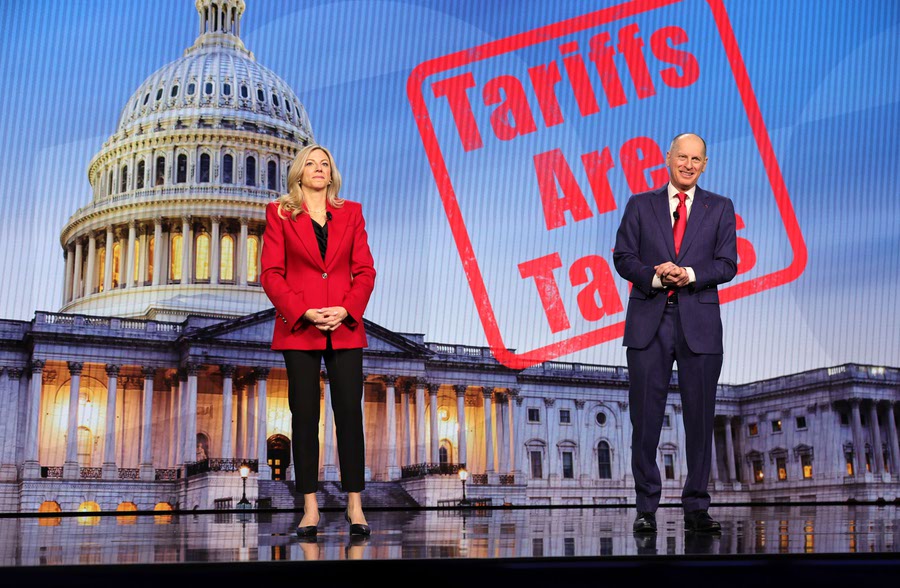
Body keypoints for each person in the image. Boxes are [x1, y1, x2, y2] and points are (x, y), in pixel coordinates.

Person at [613, 133, 737, 534]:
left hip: (699, 323)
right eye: (681, 156)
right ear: (668, 158)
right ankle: (646, 508)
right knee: (645, 421)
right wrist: (654, 274)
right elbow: (622, 257)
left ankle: (696, 508)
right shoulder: (639, 205)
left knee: (700, 421)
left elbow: (727, 264)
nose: (687, 164)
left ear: (705, 163)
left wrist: (691, 275)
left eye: (696, 158)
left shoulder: (720, 208)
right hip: (650, 320)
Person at [261, 144, 376, 538]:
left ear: (332, 172)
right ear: (297, 173)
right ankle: (309, 506)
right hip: (301, 325)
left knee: (350, 416)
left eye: (325, 163)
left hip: (344, 325)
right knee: (304, 418)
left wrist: (346, 309)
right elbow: (271, 274)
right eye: (310, 163)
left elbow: (365, 270)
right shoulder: (279, 214)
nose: (318, 169)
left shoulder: (352, 213)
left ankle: (355, 506)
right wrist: (305, 311)